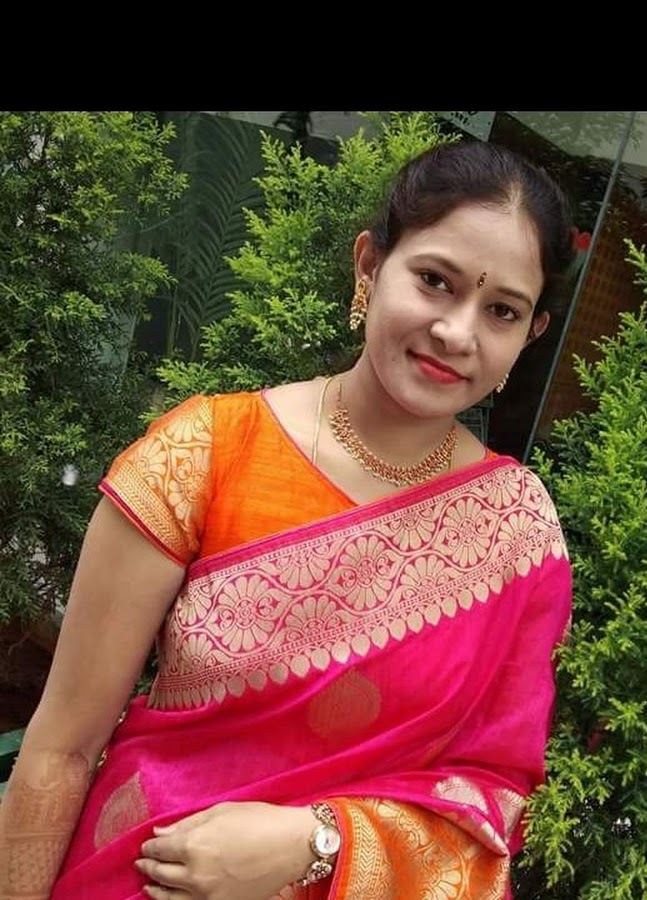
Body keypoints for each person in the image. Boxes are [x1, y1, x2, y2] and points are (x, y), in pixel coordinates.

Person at [0, 137, 575, 899]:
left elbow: (494, 799)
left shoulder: (516, 533)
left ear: (530, 334)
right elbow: (61, 750)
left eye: (501, 310)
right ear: (369, 265)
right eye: (434, 281)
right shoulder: (205, 453)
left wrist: (320, 842)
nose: (457, 333)